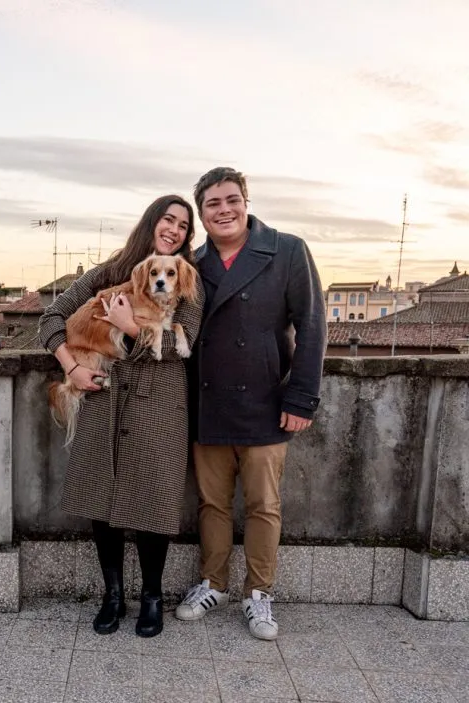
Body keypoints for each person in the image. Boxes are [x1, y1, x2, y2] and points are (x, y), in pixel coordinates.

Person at [39, 195, 205, 637]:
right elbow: (50, 319)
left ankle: (152, 597)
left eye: (183, 226)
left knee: (155, 499)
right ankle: (112, 596)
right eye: (167, 219)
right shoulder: (110, 273)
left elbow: (180, 348)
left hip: (160, 402)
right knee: (101, 497)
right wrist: (71, 366)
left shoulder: (188, 281)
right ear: (151, 222)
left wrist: (132, 328)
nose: (174, 229)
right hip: (103, 398)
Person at [174, 167, 326, 641]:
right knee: (212, 504)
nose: (224, 209)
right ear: (202, 214)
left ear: (246, 201)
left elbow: (313, 327)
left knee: (264, 506)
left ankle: (259, 593)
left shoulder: (287, 250)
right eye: (213, 203)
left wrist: (301, 397)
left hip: (265, 401)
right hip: (208, 404)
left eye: (231, 199)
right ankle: (212, 583)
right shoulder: (191, 263)